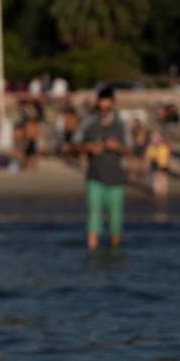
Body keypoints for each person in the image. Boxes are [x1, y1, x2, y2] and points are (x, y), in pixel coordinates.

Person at [75, 86, 130, 249]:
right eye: (101, 101)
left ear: (113, 103)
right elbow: (73, 145)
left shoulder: (121, 123)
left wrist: (117, 147)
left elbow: (130, 149)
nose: (104, 105)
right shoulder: (88, 121)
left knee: (115, 219)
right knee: (93, 214)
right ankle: (92, 248)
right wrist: (88, 147)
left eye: (107, 101)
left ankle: (115, 248)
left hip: (116, 179)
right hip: (94, 177)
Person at [144, 129, 171, 207]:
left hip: (163, 167)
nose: (156, 140)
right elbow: (147, 158)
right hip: (155, 168)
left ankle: (162, 203)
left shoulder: (164, 146)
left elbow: (167, 155)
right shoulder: (151, 147)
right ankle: (158, 203)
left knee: (164, 186)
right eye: (154, 138)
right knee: (157, 187)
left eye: (157, 138)